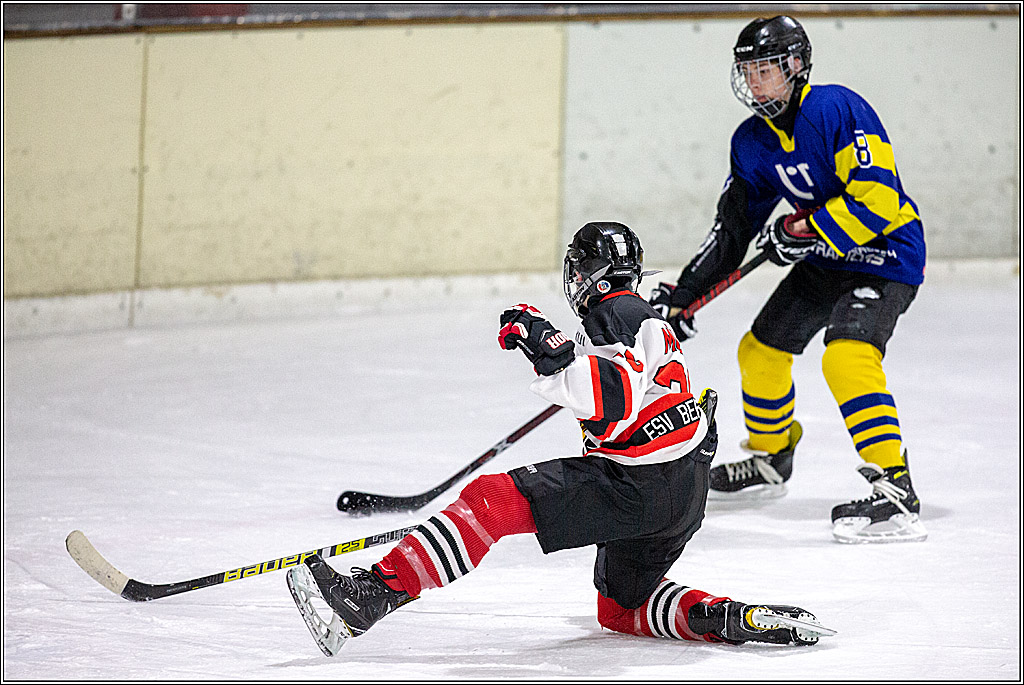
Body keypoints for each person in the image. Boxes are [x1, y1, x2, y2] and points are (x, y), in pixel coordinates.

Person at [287, 222, 832, 656]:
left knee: (491, 502)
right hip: (685, 492)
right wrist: (567, 361)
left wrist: (545, 347)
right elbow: (633, 393)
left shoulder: (612, 314)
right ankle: (726, 617)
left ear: (589, 273)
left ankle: (371, 596)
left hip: (635, 486)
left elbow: (611, 398)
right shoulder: (641, 318)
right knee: (622, 610)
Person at [649, 16, 927, 544]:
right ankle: (770, 460)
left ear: (795, 65)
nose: (755, 83)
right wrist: (684, 296)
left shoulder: (835, 108)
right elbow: (732, 232)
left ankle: (895, 486)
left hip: (887, 254)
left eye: (765, 70)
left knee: (846, 355)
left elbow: (878, 198)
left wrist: (808, 227)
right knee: (759, 352)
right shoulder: (752, 142)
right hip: (826, 258)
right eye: (747, 72)